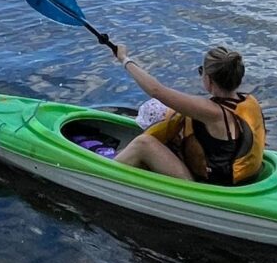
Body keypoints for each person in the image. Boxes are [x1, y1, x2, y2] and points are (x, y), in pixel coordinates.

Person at [112, 45, 266, 185]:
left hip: (214, 185)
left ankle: (105, 172)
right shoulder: (248, 101)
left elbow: (156, 91)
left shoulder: (212, 112)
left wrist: (124, 59)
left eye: (201, 71)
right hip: (237, 177)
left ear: (209, 80)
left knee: (143, 143)